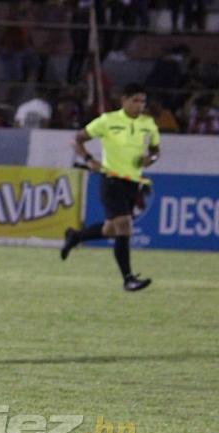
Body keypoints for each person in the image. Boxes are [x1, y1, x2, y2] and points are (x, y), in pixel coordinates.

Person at [61, 82, 160, 292]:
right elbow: (77, 139)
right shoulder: (108, 120)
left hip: (133, 183)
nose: (140, 105)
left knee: (111, 230)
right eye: (135, 100)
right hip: (111, 180)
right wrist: (89, 159)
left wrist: (150, 159)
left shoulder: (148, 124)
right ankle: (128, 279)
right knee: (124, 225)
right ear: (124, 100)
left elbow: (156, 150)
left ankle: (75, 236)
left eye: (143, 101)